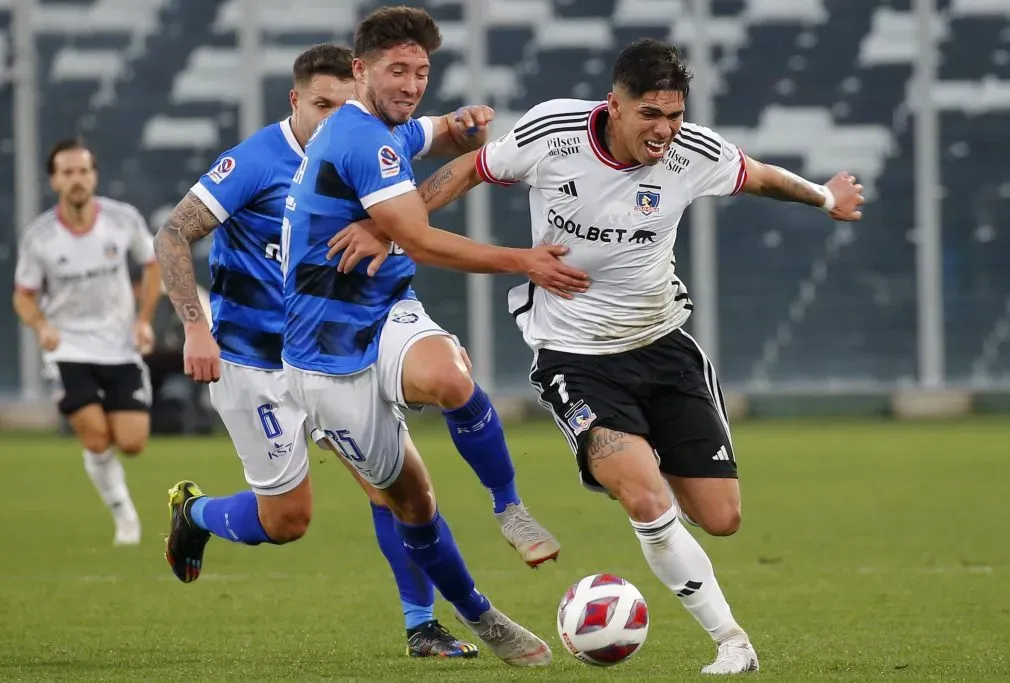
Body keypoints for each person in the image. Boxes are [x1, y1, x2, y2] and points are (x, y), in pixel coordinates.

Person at [353, 38, 866, 674]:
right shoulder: (553, 131)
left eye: (674, 115)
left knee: (721, 517)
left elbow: (760, 176)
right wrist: (390, 226)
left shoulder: (694, 152)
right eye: (650, 114)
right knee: (647, 498)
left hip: (664, 347)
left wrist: (823, 196)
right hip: (575, 357)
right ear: (614, 105)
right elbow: (468, 170)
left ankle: (640, 479)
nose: (664, 130)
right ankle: (732, 641)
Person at [152, 42, 517, 658]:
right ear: (295, 100)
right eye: (321, 106)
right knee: (286, 522)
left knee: (395, 487)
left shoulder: (362, 139)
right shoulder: (254, 162)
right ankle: (198, 514)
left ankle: (420, 625)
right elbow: (172, 233)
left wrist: (464, 126)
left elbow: (437, 137)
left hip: (333, 350)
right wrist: (194, 326)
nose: (333, 119)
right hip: (254, 360)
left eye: (343, 106)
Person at [279, 6, 592, 666]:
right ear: (360, 71)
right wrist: (525, 259)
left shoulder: (383, 124)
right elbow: (419, 236)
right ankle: (477, 611)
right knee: (413, 504)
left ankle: (510, 506)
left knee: (452, 376)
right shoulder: (359, 139)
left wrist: (460, 127)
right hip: (325, 354)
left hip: (384, 307)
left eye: (422, 71)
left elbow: (435, 136)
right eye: (398, 70)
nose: (413, 83)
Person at [13, 138, 162, 546]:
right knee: (96, 436)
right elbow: (22, 295)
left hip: (119, 344)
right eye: (67, 172)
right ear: (54, 180)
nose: (77, 179)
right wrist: (42, 325)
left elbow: (153, 265)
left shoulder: (122, 220)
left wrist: (144, 319)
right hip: (69, 348)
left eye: (83, 171)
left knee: (131, 443)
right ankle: (125, 517)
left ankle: (115, 481)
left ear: (94, 176)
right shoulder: (39, 237)